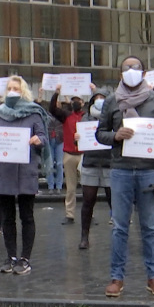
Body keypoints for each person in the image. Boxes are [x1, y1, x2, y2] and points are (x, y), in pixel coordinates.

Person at [96, 56, 154, 298]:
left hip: (148, 170)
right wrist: (115, 136)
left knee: (149, 227)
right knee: (120, 227)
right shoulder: (111, 101)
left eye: (136, 67)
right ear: (120, 74)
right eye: (127, 68)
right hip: (120, 169)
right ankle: (116, 278)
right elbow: (100, 134)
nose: (131, 71)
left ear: (144, 72)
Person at [0, 76, 48, 276]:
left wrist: (37, 139)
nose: (13, 91)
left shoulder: (34, 113)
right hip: (3, 170)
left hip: (25, 170)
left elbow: (43, 137)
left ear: (23, 91)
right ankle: (10, 257)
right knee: (6, 217)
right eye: (10, 88)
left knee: (26, 216)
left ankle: (25, 258)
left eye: (16, 88)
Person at [73, 85, 113, 249]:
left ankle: (119, 234)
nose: (99, 101)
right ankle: (84, 236)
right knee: (88, 201)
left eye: (102, 98)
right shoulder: (86, 118)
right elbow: (80, 141)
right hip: (90, 162)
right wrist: (78, 138)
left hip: (110, 163)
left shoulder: (113, 117)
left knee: (114, 202)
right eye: (96, 98)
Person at [49, 86, 85, 223]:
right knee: (71, 188)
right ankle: (70, 214)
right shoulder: (66, 116)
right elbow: (52, 109)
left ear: (83, 103)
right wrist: (56, 93)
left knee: (88, 187)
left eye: (78, 100)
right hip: (69, 154)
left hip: (84, 155)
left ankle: (89, 213)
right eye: (73, 100)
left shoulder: (86, 117)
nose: (76, 102)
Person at [45, 114, 64, 194]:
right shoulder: (46, 116)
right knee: (50, 164)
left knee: (59, 164)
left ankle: (59, 186)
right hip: (49, 140)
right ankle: (51, 186)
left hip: (59, 140)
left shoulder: (61, 115)